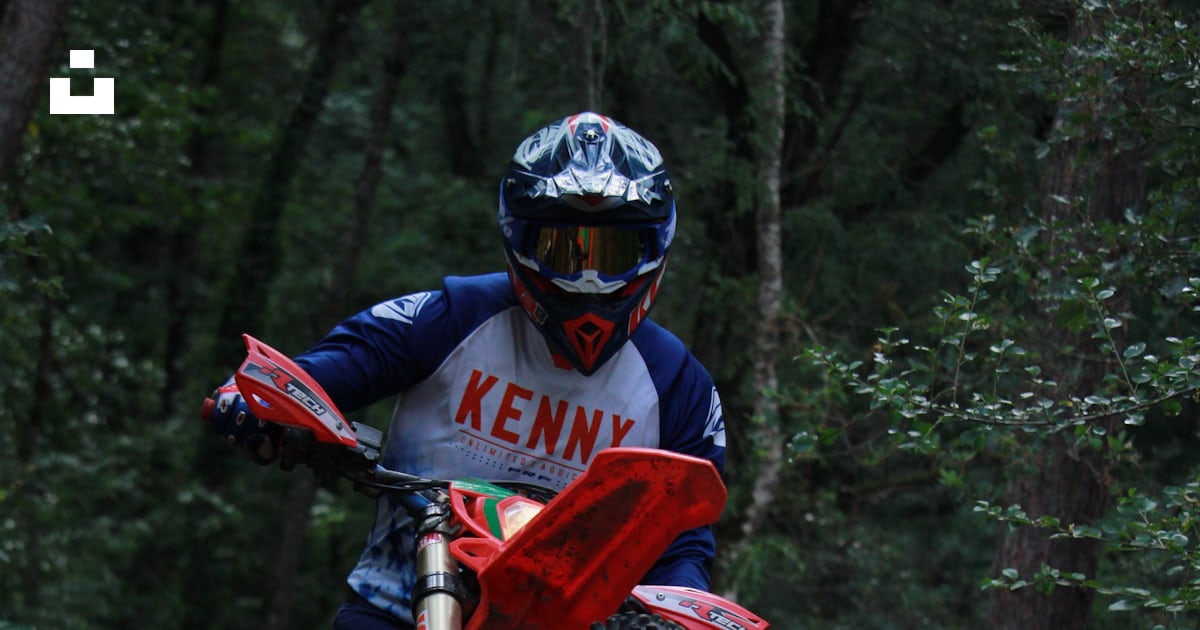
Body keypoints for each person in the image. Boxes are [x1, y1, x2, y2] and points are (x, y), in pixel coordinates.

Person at [205, 111, 727, 629]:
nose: (587, 277)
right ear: (518, 236)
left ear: (655, 245)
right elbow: (327, 368)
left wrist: (672, 612)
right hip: (396, 602)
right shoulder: (448, 317)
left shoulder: (681, 388)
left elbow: (684, 542)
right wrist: (254, 400)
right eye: (562, 249)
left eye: (613, 251)